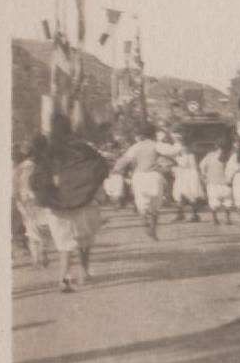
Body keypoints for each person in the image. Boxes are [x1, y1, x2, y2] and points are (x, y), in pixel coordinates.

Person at [34, 113, 109, 292]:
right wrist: (87, 189)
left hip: (57, 203)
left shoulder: (49, 151)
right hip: (82, 201)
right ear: (70, 127)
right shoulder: (82, 148)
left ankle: (64, 279)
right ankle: (84, 273)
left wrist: (47, 196)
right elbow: (100, 167)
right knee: (84, 239)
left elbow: (38, 177)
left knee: (63, 244)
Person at [113, 123, 180, 240]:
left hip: (139, 177)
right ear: (153, 133)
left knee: (141, 202)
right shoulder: (156, 145)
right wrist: (179, 142)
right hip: (154, 176)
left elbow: (124, 160)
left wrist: (116, 169)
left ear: (141, 134)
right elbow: (172, 152)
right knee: (156, 203)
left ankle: (144, 222)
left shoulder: (136, 146)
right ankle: (153, 228)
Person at [12, 137, 51, 266]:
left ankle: (36, 257)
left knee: (30, 226)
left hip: (24, 200)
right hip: (40, 198)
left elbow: (15, 186)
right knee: (44, 226)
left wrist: (17, 199)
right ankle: (43, 250)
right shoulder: (42, 165)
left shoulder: (20, 168)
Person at [200, 135, 234, 225]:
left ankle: (215, 219)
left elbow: (202, 165)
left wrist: (205, 175)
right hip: (226, 184)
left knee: (213, 202)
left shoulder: (210, 155)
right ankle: (228, 219)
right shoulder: (230, 156)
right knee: (228, 202)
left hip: (213, 183)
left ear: (216, 145)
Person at [171, 134, 203, 222]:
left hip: (189, 174)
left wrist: (175, 159)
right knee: (181, 193)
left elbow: (184, 163)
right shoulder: (184, 151)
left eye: (178, 140)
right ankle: (181, 214)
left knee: (191, 194)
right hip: (184, 174)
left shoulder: (186, 151)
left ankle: (194, 215)